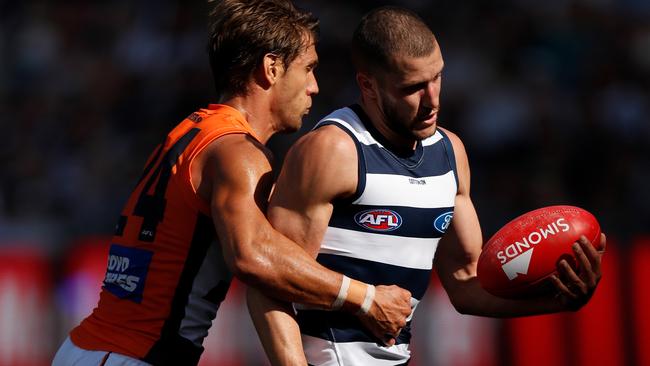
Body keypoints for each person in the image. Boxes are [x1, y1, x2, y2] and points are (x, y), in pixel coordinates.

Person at [51, 1, 412, 365]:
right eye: (308, 69)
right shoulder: (239, 153)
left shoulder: (191, 131)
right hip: (134, 355)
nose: (314, 87)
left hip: (98, 349)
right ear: (271, 69)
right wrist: (365, 298)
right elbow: (253, 256)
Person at [249, 6, 606, 365]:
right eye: (413, 88)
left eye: (437, 77)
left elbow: (466, 285)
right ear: (368, 85)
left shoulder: (450, 152)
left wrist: (554, 301)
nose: (432, 99)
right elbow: (271, 280)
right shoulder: (333, 150)